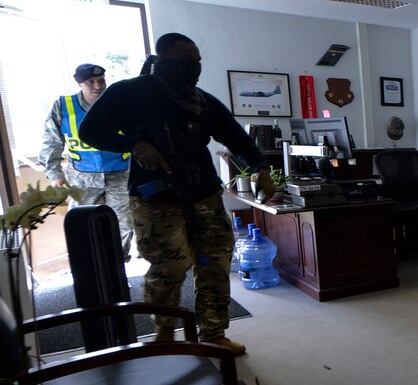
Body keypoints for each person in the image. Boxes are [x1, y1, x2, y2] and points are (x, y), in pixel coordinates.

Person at [80, 33, 275, 356]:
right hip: (154, 196)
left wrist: (260, 168)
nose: (195, 67)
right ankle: (165, 332)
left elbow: (239, 140)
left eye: (198, 62)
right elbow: (90, 129)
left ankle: (213, 332)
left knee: (216, 262)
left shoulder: (202, 101)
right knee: (170, 265)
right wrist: (134, 145)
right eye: (188, 60)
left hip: (205, 195)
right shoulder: (130, 92)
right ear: (165, 58)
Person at [39, 63, 135, 258]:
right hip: (82, 178)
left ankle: (117, 268)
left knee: (123, 225)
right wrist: (54, 174)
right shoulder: (63, 106)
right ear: (80, 84)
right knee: (83, 224)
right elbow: (51, 140)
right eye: (90, 82)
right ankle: (90, 269)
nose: (97, 86)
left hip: (120, 175)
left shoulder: (120, 102)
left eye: (101, 81)